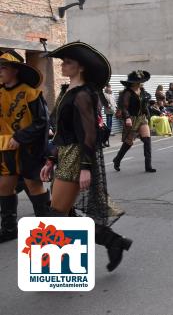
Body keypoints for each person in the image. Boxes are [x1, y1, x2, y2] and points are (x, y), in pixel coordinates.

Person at [40, 42, 131, 272]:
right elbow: (60, 131)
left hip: (75, 156)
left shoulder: (83, 94)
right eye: (63, 61)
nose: (63, 65)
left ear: (80, 68)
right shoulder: (67, 91)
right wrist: (51, 159)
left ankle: (54, 266)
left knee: (56, 215)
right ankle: (113, 242)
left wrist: (85, 167)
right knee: (64, 215)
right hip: (63, 154)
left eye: (68, 62)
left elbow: (89, 134)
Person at [0, 50, 50, 243]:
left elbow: (42, 121)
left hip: (28, 148)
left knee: (34, 186)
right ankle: (9, 229)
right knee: (4, 187)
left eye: (4, 68)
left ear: (15, 71)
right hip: (5, 148)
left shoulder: (31, 93)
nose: (0, 71)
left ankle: (46, 231)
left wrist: (21, 136)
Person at [112, 70, 156, 173]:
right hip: (131, 118)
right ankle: (117, 159)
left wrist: (148, 109)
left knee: (147, 141)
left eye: (141, 81)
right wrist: (127, 117)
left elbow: (145, 103)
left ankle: (148, 166)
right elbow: (123, 107)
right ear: (133, 82)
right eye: (139, 81)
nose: (141, 83)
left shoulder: (142, 91)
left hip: (142, 118)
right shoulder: (126, 93)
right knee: (128, 143)